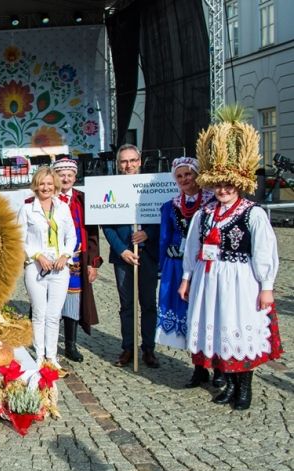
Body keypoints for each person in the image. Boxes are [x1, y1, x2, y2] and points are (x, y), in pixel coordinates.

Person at [179, 114, 281, 410]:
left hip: (241, 280)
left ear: (239, 184)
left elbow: (264, 251)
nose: (223, 191)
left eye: (229, 186)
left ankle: (244, 388)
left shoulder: (253, 213)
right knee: (220, 328)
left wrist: (267, 286)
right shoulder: (205, 213)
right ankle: (229, 384)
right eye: (219, 186)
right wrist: (186, 278)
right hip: (209, 278)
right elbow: (192, 247)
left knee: (239, 327)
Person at [156, 158, 220, 388]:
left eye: (188, 174)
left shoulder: (213, 202)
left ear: (197, 175)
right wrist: (162, 267)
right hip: (177, 266)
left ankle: (219, 367)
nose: (184, 179)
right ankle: (199, 368)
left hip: (206, 265)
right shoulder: (171, 205)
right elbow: (164, 237)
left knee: (210, 313)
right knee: (188, 316)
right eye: (180, 176)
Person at [102, 144, 161, 368]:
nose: (129, 165)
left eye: (132, 160)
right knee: (127, 305)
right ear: (118, 164)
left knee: (148, 304)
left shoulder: (152, 187)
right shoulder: (110, 186)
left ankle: (148, 349)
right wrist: (122, 250)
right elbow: (106, 226)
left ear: (139, 161)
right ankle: (128, 348)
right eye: (124, 161)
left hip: (147, 254)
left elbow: (163, 218)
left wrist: (148, 233)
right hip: (123, 256)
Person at [18, 166, 77, 368]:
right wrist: (36, 255)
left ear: (55, 186)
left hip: (60, 269)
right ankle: (40, 355)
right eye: (42, 183)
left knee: (53, 315)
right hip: (36, 268)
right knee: (39, 313)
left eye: (49, 184)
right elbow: (19, 239)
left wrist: (65, 255)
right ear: (36, 185)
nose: (46, 187)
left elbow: (72, 236)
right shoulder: (27, 209)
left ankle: (51, 356)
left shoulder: (63, 208)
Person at [52, 158, 102, 363]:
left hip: (76, 260)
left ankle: (70, 345)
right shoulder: (48, 197)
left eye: (69, 175)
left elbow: (92, 233)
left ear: (75, 177)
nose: (65, 179)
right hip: (53, 260)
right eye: (61, 175)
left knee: (72, 301)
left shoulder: (82, 199)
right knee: (52, 301)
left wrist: (92, 262)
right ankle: (49, 344)